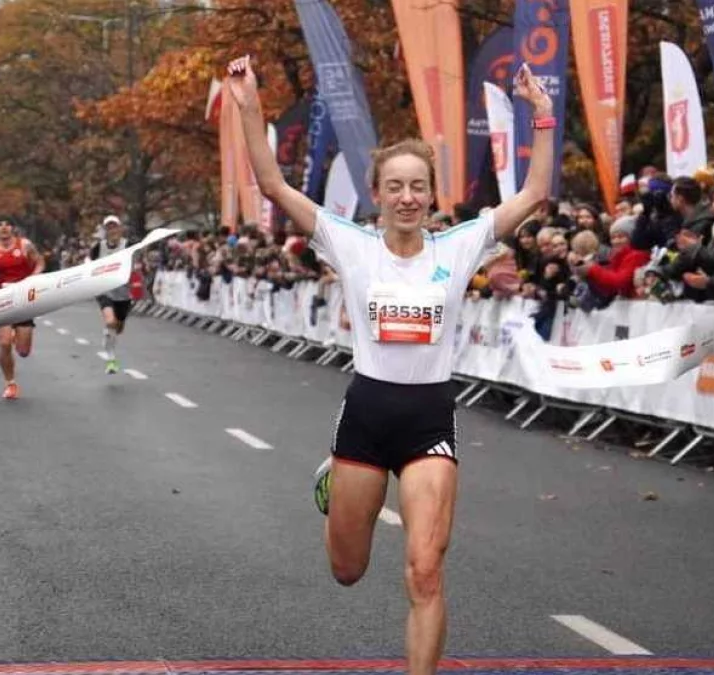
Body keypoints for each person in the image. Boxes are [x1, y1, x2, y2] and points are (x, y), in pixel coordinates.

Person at [226, 54, 552, 675]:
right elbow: (272, 186)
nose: (407, 197)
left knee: (425, 570)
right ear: (376, 194)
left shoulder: (462, 244)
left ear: (431, 194)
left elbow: (534, 193)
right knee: (348, 570)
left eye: (418, 186)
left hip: (430, 419)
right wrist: (249, 107)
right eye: (395, 187)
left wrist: (541, 114)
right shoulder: (349, 242)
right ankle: (334, 484)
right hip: (366, 416)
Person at [0, 217, 44, 399]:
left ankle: (18, 335)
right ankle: (10, 383)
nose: (4, 228)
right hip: (3, 300)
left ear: (13, 228)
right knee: (4, 343)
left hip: (24, 299)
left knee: (23, 352)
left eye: (7, 224)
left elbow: (40, 262)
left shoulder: (24, 245)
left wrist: (34, 277)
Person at [89, 214, 133, 374]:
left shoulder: (128, 245)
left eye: (114, 226)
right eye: (109, 227)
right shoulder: (98, 248)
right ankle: (111, 360)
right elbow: (89, 266)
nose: (112, 230)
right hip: (104, 290)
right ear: (105, 230)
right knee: (110, 321)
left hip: (123, 293)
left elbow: (137, 261)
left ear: (120, 229)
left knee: (118, 328)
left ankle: (108, 335)